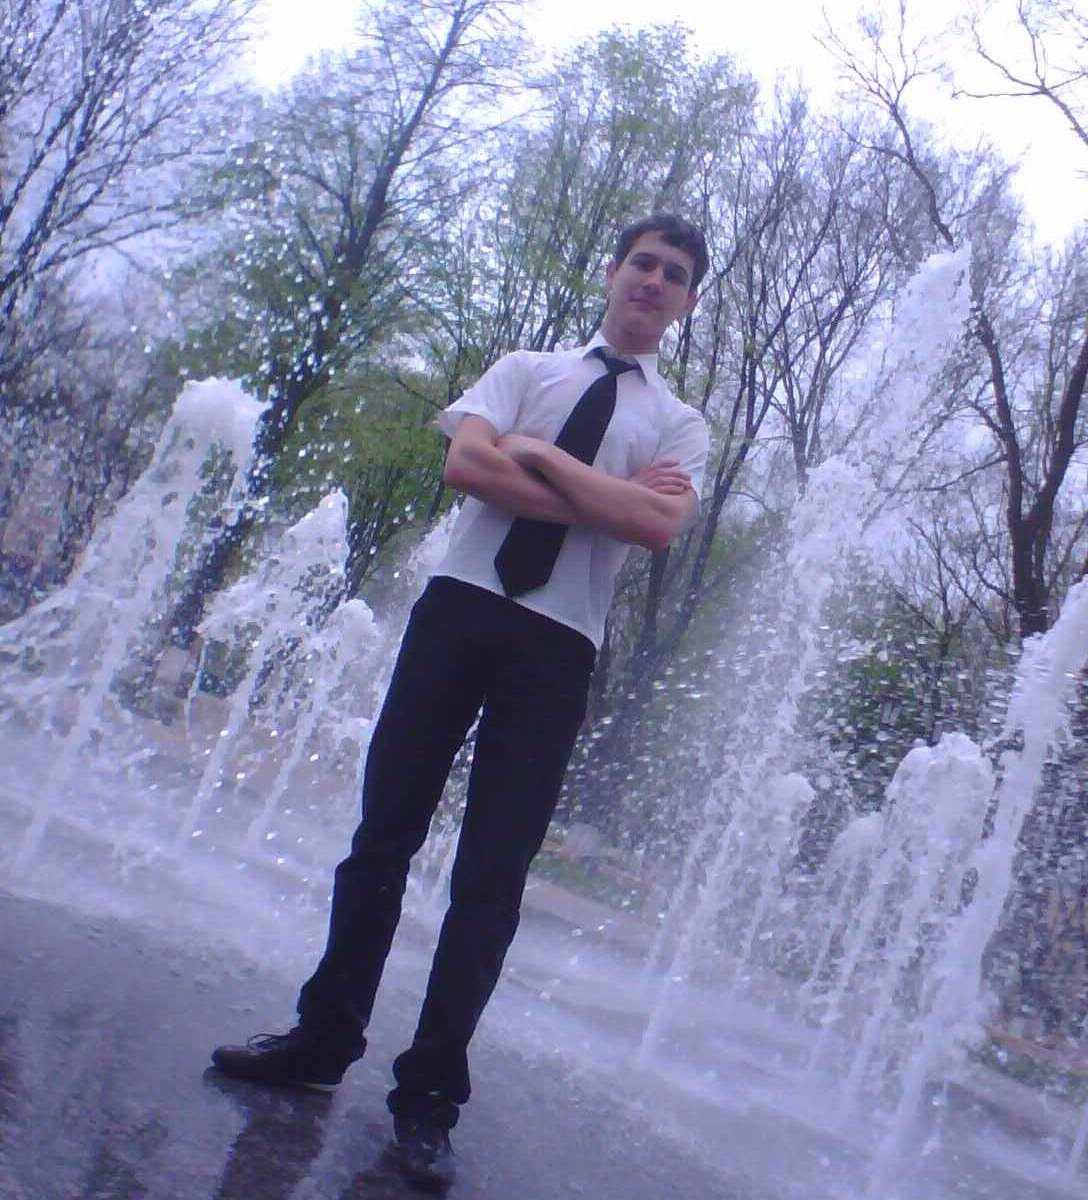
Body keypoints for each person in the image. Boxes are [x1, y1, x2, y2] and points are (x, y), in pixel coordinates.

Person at [211, 213, 711, 1187]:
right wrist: (604, 498)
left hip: (558, 647)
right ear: (611, 270)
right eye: (642, 262)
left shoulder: (679, 424)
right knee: (382, 836)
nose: (653, 280)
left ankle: (430, 1096)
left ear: (686, 302)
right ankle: (322, 1039)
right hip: (456, 612)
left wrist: (541, 459)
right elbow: (464, 467)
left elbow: (654, 528)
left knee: (491, 880)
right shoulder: (525, 369)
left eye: (674, 274)